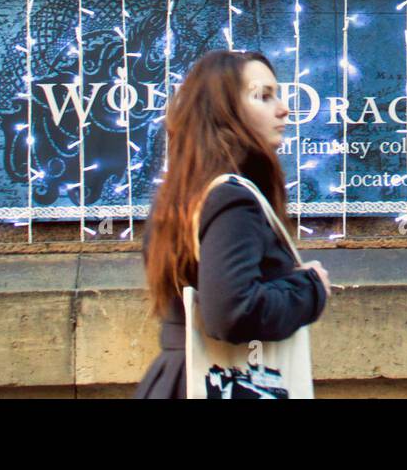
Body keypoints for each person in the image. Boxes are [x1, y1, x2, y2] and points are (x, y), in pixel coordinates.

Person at [134, 49, 330, 398]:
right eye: (263, 96)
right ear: (225, 112)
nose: (284, 108)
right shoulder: (231, 198)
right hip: (219, 384)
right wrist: (310, 289)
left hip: (177, 379)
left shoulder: (181, 195)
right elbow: (232, 312)